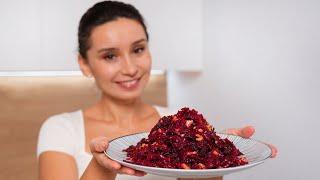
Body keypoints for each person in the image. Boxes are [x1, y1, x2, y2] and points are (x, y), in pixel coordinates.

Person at [37, 1, 277, 180]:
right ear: (84, 64)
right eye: (110, 56)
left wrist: (213, 162)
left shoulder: (176, 123)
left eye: (138, 50)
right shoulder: (61, 129)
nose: (130, 68)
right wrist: (102, 167)